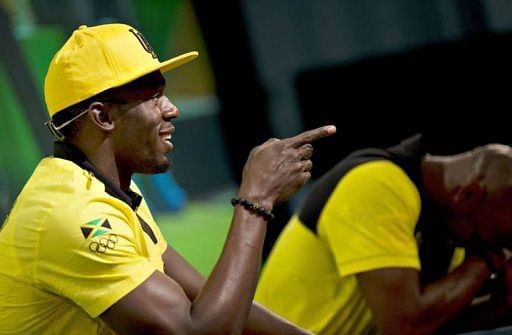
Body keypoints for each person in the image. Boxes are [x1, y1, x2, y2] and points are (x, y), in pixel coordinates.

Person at [0, 23, 336, 334]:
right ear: (102, 116)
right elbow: (198, 330)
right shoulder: (72, 212)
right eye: (153, 96)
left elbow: (206, 297)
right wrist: (256, 199)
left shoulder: (108, 191)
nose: (171, 108)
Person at [255, 133, 512, 335]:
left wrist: (502, 302)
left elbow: (436, 322)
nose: (506, 244)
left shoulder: (455, 222)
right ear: (469, 195)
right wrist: (486, 259)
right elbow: (404, 327)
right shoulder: (377, 184)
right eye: (505, 234)